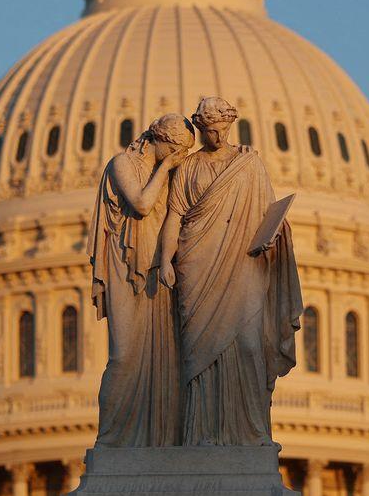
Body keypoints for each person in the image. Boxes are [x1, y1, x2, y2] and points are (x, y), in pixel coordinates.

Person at [158, 97, 303, 447]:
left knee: (250, 346)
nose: (216, 136)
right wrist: (165, 260)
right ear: (201, 129)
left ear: (230, 126)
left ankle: (250, 433)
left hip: (243, 266)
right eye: (209, 131)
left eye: (221, 130)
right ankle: (203, 433)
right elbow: (174, 216)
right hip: (197, 266)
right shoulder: (189, 168)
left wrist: (274, 238)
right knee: (201, 353)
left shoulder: (249, 165)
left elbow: (271, 215)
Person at [88, 113, 194, 447]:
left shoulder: (172, 172)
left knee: (163, 361)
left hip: (157, 273)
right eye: (177, 149)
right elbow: (142, 204)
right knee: (123, 356)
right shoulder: (122, 164)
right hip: (125, 268)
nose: (180, 158)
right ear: (160, 139)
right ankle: (111, 439)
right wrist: (166, 167)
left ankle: (157, 437)